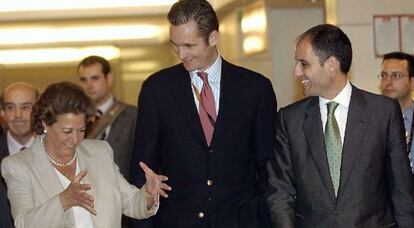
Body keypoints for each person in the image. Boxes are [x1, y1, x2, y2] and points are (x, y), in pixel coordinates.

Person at [129, 0, 277, 227]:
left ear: (213, 38)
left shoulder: (255, 89)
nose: (181, 54)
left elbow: (268, 168)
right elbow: (142, 167)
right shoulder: (157, 89)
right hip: (177, 220)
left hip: (239, 220)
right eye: (175, 45)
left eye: (189, 46)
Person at [266, 24, 414, 227]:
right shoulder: (290, 119)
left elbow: (401, 189)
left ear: (332, 65)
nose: (297, 73)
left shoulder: (383, 112)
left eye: (304, 64)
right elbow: (280, 192)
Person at [1, 81, 171, 228]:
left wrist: (148, 194)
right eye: (67, 131)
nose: (75, 139)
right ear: (45, 123)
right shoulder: (18, 165)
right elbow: (23, 223)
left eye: (81, 130)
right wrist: (64, 200)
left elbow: (131, 203)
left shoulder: (100, 152)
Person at [78, 55, 137, 178]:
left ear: (109, 79)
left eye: (95, 78)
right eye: (83, 80)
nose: (89, 86)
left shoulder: (132, 116)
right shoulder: (75, 118)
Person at [380, 51, 414, 173]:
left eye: (396, 75)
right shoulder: (371, 119)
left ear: (412, 82)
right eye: (384, 75)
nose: (388, 82)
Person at [0, 82, 38, 162]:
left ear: (38, 111)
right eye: (10, 108)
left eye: (25, 107)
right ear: (3, 113)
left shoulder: (56, 151)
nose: (18, 115)